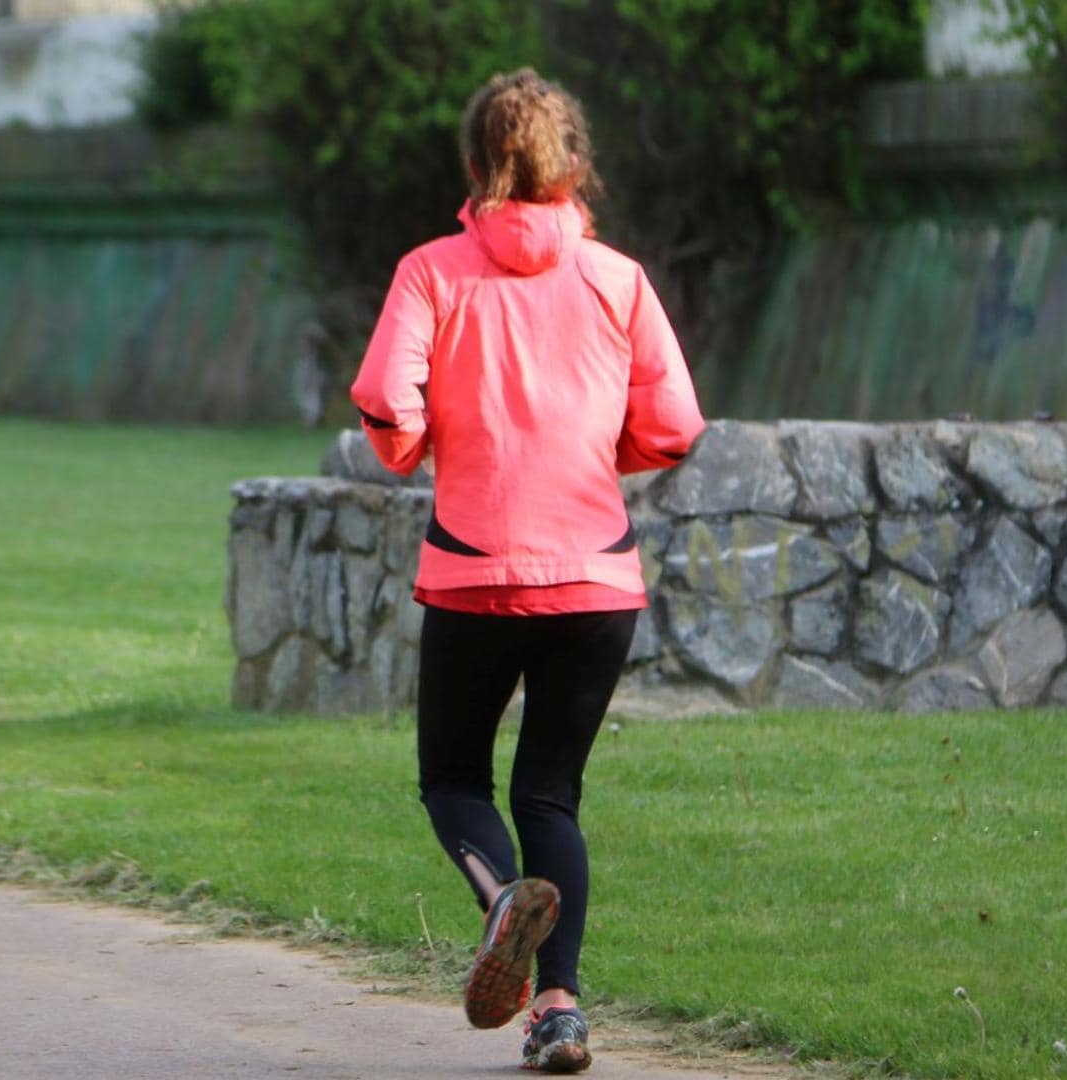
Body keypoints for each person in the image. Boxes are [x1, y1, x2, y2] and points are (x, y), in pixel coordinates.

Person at [348, 68, 705, 1074]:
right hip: (597, 578)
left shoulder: (432, 271)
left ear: (472, 167)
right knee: (550, 793)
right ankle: (560, 1013)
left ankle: (503, 897)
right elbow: (676, 426)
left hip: (475, 571)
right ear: (575, 164)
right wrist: (603, 459)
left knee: (453, 778)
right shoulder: (618, 279)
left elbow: (386, 396)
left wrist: (412, 446)